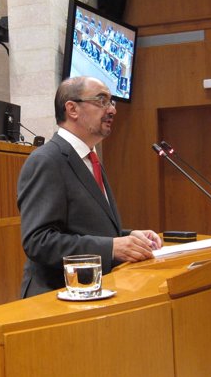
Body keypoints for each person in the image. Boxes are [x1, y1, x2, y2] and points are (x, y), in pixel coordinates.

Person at [17, 75, 162, 297]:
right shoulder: (47, 160)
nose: (112, 110)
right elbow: (40, 241)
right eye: (101, 100)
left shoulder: (89, 158)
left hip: (90, 292)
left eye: (111, 102)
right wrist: (113, 247)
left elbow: (83, 228)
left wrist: (129, 236)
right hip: (57, 297)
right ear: (72, 109)